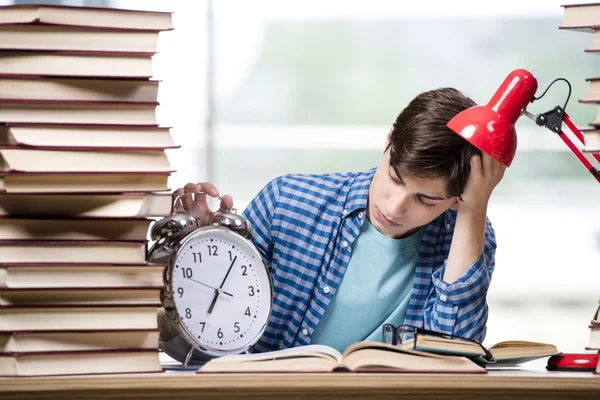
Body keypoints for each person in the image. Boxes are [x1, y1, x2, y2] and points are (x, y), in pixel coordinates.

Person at [174, 87, 505, 354]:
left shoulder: (465, 236)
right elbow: (199, 340)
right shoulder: (285, 204)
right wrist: (199, 249)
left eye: (426, 200)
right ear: (388, 140)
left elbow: (456, 358)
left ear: (455, 198)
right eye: (394, 178)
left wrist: (475, 209)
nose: (395, 207)